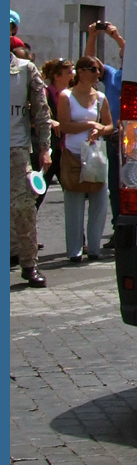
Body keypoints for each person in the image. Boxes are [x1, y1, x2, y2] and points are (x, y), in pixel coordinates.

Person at [57, 56, 113, 262]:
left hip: (95, 154)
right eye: (92, 69)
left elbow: (109, 125)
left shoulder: (100, 97)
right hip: (73, 153)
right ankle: (74, 250)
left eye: (98, 70)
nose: (97, 73)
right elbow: (64, 126)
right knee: (74, 203)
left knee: (99, 202)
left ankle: (95, 247)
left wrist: (100, 129)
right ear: (81, 72)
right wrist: (89, 125)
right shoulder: (66, 96)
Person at [10, 49, 52, 287]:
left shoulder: (25, 69)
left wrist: (45, 148)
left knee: (24, 208)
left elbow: (41, 110)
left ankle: (29, 264)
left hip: (15, 148)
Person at [86, 22, 124, 244]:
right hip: (113, 135)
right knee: (114, 183)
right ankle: (118, 225)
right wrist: (92, 35)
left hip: (135, 135)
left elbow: (132, 52)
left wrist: (117, 37)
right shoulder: (111, 75)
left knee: (129, 182)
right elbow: (88, 64)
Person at [36, 58, 75, 208]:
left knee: (72, 193)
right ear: (57, 76)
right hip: (50, 150)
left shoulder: (72, 95)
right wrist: (50, 121)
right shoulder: (45, 94)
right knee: (38, 193)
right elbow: (33, 116)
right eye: (69, 72)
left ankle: (78, 231)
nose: (73, 74)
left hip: (66, 151)